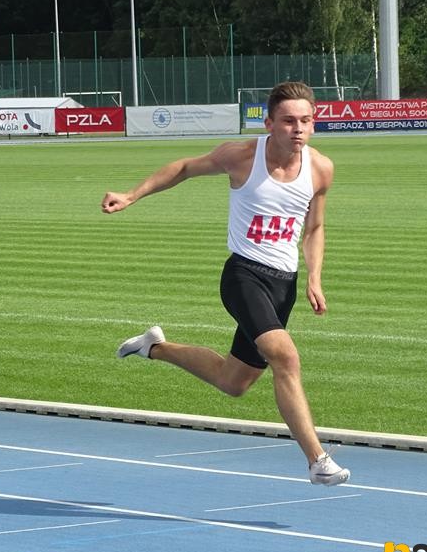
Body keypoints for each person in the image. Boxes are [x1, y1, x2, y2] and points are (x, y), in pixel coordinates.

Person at [101, 81, 350, 486]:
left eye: (305, 121)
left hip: (283, 285)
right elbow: (184, 168)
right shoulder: (242, 156)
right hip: (243, 275)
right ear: (269, 123)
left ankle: (153, 347)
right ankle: (317, 460)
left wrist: (315, 278)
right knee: (286, 358)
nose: (298, 129)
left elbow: (315, 228)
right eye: (288, 121)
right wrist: (132, 195)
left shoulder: (321, 168)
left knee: (233, 382)